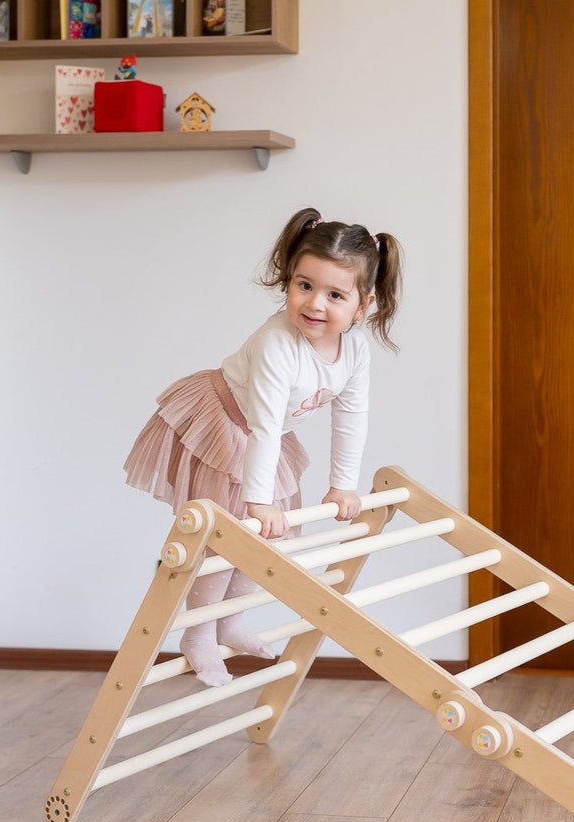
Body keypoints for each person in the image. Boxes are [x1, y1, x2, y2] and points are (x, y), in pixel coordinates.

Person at [124, 207, 402, 686]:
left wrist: (342, 485)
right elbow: (265, 425)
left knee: (269, 538)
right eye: (304, 285)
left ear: (363, 306)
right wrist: (258, 499)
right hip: (223, 422)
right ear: (289, 281)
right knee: (226, 538)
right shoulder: (278, 341)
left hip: (260, 437)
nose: (314, 303)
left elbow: (351, 417)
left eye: (335, 295)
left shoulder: (355, 350)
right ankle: (198, 633)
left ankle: (230, 621)